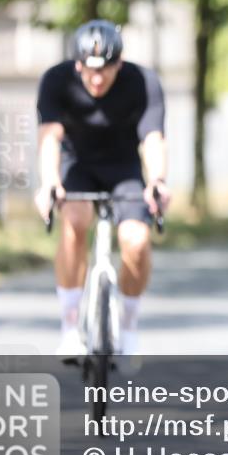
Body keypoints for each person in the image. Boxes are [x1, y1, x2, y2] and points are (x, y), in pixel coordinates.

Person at [34, 19, 171, 358]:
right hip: (76, 165)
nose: (97, 79)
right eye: (89, 71)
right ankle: (70, 327)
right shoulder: (56, 80)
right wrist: (49, 182)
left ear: (119, 64)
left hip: (124, 167)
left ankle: (127, 325)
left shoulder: (143, 81)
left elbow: (153, 138)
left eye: (106, 71)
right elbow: (50, 137)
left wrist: (157, 180)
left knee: (136, 243)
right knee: (74, 225)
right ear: (77, 64)